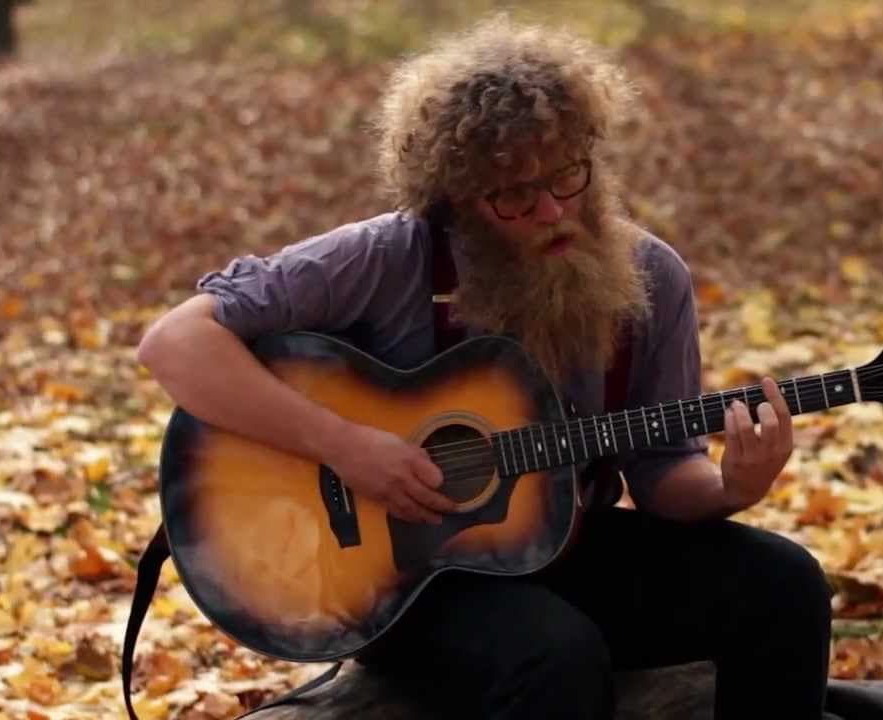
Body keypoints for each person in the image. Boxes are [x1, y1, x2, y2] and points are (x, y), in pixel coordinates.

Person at [136, 15, 833, 720]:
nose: (554, 210)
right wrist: (346, 446)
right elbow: (175, 344)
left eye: (568, 177)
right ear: (457, 197)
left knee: (785, 584)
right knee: (555, 656)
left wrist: (731, 488)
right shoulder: (385, 256)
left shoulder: (649, 277)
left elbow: (660, 474)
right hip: (399, 579)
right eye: (515, 197)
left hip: (566, 542)